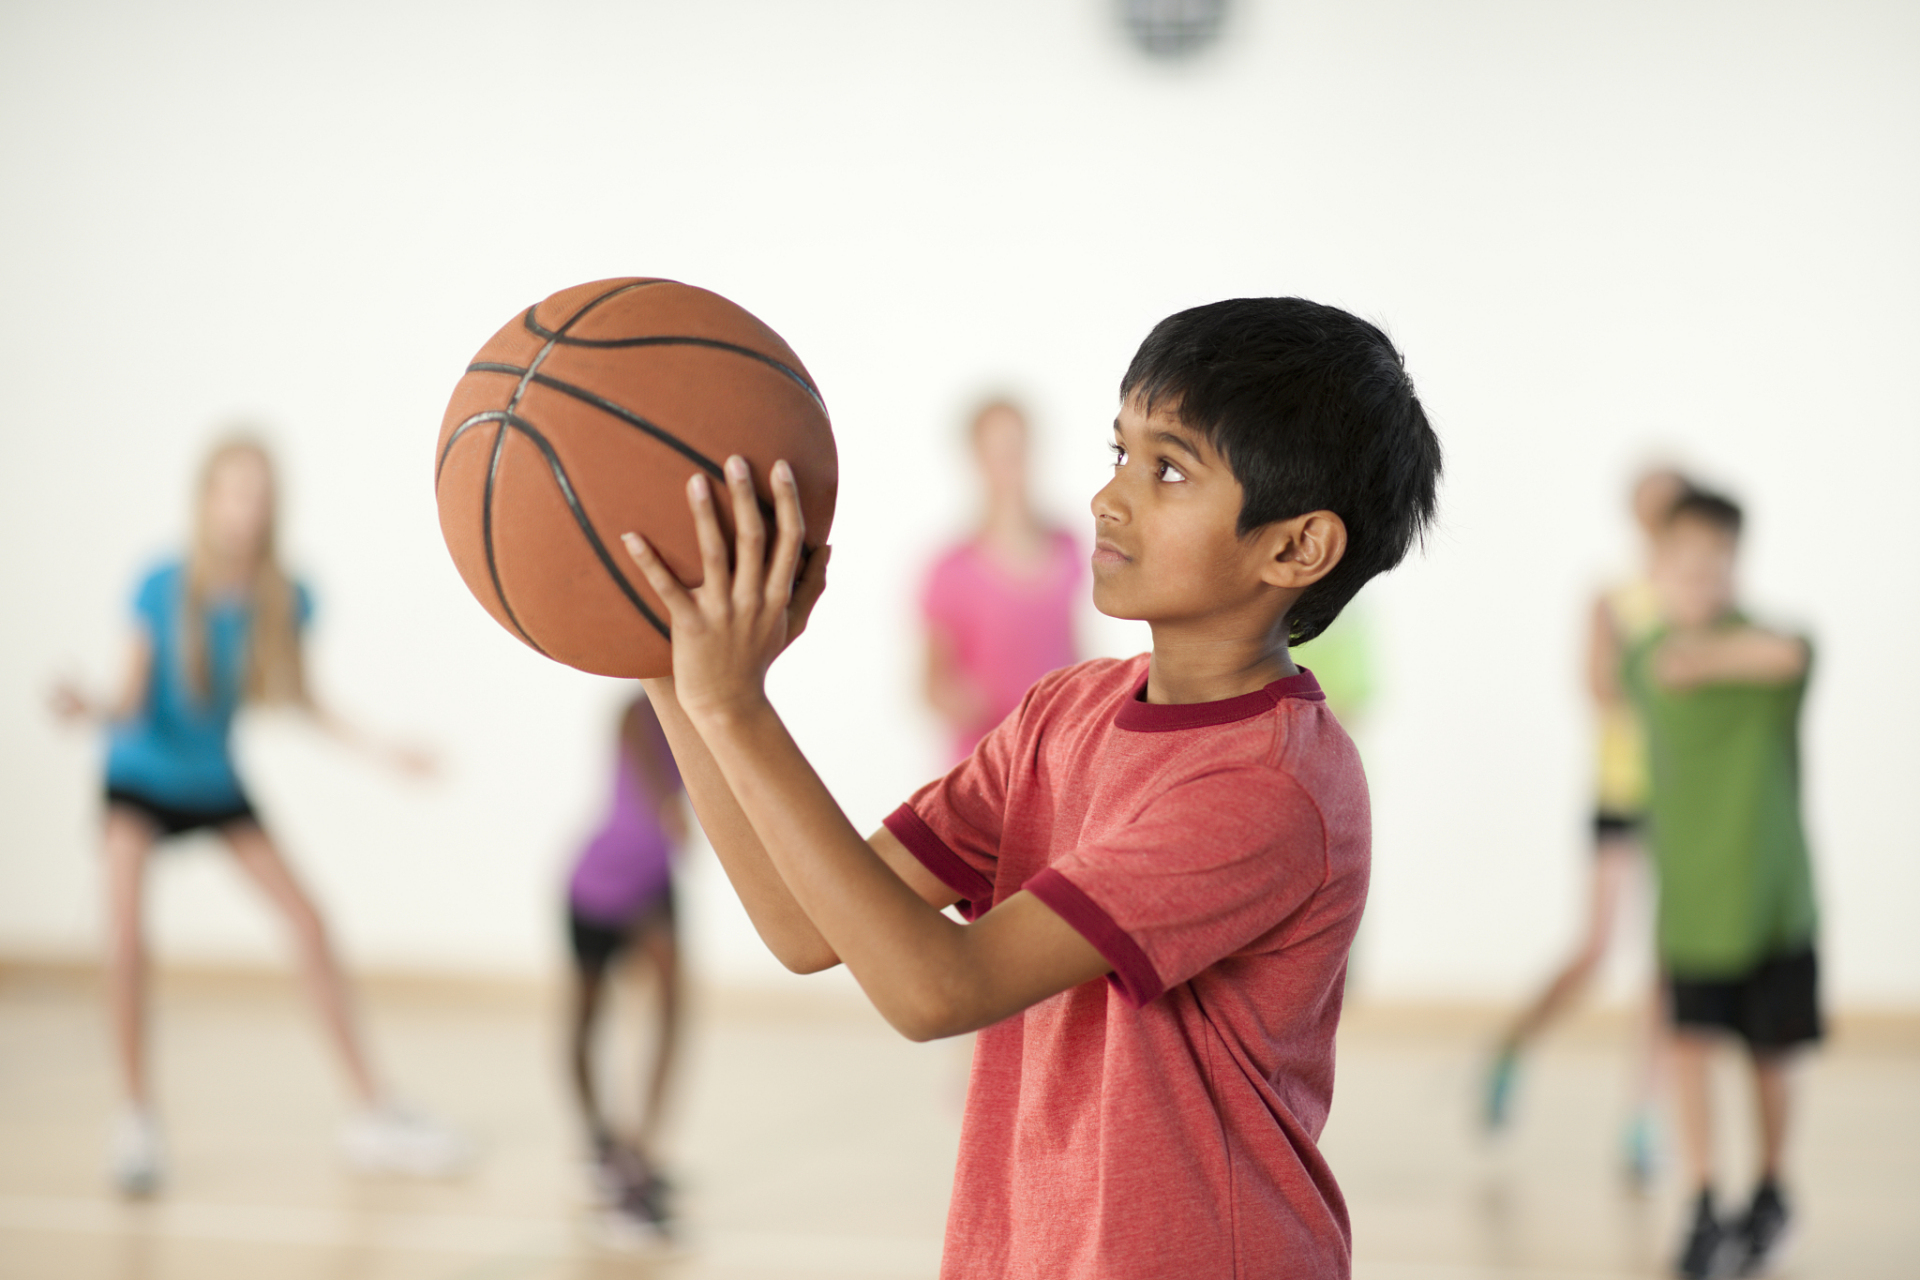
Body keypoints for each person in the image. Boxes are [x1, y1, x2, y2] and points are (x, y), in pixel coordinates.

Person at [618, 297, 1442, 1279]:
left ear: (1296, 547)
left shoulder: (1271, 783)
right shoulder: (1066, 712)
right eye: (1119, 452)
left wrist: (739, 707)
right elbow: (806, 925)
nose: (1108, 497)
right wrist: (671, 668)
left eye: (1168, 468)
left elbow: (938, 986)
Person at [51, 434, 468, 1196]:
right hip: (139, 775)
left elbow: (303, 698)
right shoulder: (161, 584)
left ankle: (372, 1111)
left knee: (310, 922)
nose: (247, 508)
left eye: (260, 494)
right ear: (207, 498)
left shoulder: (288, 595)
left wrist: (384, 750)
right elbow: (131, 700)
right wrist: (90, 709)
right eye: (234, 491)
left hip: (214, 782)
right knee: (126, 936)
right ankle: (137, 1119)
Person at [1624, 487, 1817, 1279]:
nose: (1700, 575)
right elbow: (1664, 668)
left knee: (1771, 1054)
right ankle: (1702, 1197)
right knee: (1691, 1049)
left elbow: (1790, 653)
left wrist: (1710, 653)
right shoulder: (1645, 655)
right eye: (1683, 561)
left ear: (1737, 563)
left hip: (1775, 899)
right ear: (1657, 568)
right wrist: (1697, 652)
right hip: (1692, 903)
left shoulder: (1776, 648)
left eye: (1715, 560)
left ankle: (1770, 1188)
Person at [1484, 467, 1687, 1183]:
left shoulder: (1702, 602)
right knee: (1596, 949)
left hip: (1688, 801)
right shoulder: (1615, 598)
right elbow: (1601, 688)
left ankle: (1643, 1118)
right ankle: (1510, 1051)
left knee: (1672, 963)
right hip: (1623, 791)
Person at [564, 690, 688, 1244]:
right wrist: (671, 804)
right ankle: (601, 1141)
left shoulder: (706, 708)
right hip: (596, 885)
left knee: (672, 1009)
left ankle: (640, 1153)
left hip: (653, 888)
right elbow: (647, 766)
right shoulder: (636, 712)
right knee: (586, 1019)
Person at [921, 399, 1082, 761]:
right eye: (998, 451)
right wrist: (979, 703)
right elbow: (931, 685)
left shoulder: (1068, 546)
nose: (1011, 462)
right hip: (983, 765)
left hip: (1057, 757)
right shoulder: (950, 570)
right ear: (977, 459)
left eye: (1017, 446)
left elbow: (1075, 653)